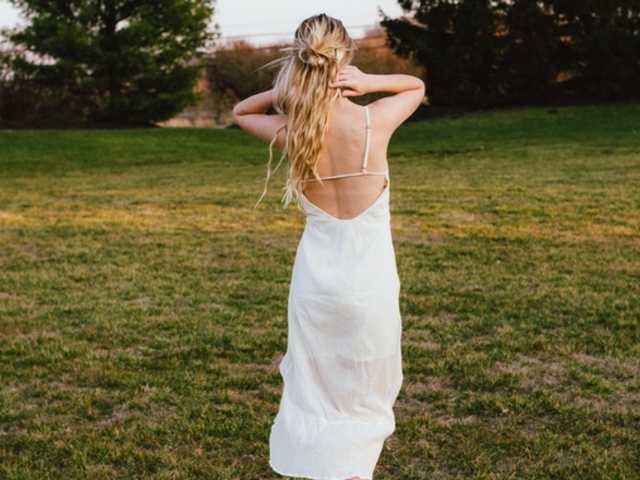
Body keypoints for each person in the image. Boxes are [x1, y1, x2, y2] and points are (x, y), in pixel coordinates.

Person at [232, 13, 425, 480]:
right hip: (369, 281)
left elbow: (240, 113)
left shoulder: (294, 132)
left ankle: (320, 466)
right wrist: (370, 81)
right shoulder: (374, 121)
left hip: (316, 284)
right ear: (345, 58)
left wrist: (288, 91)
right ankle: (354, 468)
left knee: (316, 384)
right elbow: (416, 88)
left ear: (301, 62)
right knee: (366, 382)